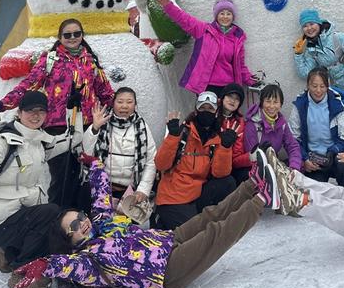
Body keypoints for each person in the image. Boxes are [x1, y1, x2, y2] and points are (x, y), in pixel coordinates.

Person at [6, 154, 280, 288]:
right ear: (71, 242)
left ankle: (251, 186)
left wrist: (96, 166)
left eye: (79, 217)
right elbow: (68, 267)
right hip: (167, 272)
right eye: (74, 228)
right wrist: (46, 265)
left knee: (210, 215)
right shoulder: (88, 261)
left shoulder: (101, 223)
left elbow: (100, 195)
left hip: (166, 241)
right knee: (215, 234)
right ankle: (262, 201)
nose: (81, 224)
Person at [0, 19, 114, 206]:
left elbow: (104, 90)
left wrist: (122, 107)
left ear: (82, 35)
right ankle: (60, 218)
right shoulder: (51, 59)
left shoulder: (90, 61)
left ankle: (82, 221)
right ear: (60, 37)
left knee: (84, 175)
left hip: (86, 124)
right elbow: (29, 84)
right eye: (67, 35)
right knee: (62, 177)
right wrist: (6, 102)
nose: (72, 38)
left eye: (76, 34)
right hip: (57, 126)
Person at [0, 91, 80, 273]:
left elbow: (72, 140)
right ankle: (24, 268)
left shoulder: (39, 142)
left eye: (41, 111)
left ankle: (8, 254)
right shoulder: (4, 140)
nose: (36, 115)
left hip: (20, 215)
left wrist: (75, 111)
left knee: (48, 226)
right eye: (30, 110)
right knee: (50, 213)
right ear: (19, 113)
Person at [153, 91, 237, 229]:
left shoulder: (216, 138)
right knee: (192, 232)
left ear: (216, 112)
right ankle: (162, 218)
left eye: (210, 108)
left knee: (228, 183)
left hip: (197, 194)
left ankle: (206, 221)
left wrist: (226, 147)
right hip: (174, 196)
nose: (206, 112)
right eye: (202, 108)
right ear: (196, 110)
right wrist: (172, 137)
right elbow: (161, 164)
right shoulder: (183, 132)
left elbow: (220, 174)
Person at [293, 8, 344, 158]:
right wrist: (298, 54)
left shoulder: (337, 38)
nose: (309, 28)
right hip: (335, 94)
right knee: (343, 131)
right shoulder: (310, 48)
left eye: (312, 24)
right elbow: (305, 73)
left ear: (319, 23)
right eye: (305, 26)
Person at [156, 0, 258, 98]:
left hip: (228, 87)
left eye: (229, 14)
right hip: (206, 85)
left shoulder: (237, 39)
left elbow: (240, 66)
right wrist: (168, 6)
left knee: (225, 114)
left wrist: (251, 81)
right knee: (206, 114)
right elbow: (185, 20)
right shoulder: (204, 30)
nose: (225, 17)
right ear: (216, 16)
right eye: (222, 13)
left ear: (233, 17)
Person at [81, 87, 157, 223]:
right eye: (120, 102)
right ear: (113, 103)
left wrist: (143, 190)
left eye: (129, 102)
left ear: (135, 105)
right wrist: (95, 127)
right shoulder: (103, 121)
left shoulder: (142, 127)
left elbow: (151, 161)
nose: (124, 106)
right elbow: (86, 152)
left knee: (127, 229)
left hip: (129, 192)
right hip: (101, 187)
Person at [289, 69, 344, 190]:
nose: (318, 90)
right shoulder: (300, 105)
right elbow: (294, 138)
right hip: (313, 159)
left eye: (322, 86)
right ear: (308, 85)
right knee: (316, 194)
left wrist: (332, 151)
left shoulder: (337, 105)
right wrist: (304, 159)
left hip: (334, 156)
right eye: (314, 86)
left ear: (328, 86)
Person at [244, 83, 302, 171]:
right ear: (261, 102)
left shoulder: (281, 123)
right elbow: (250, 155)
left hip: (274, 164)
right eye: (268, 101)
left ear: (281, 104)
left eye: (275, 102)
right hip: (255, 169)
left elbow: (292, 145)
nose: (271, 106)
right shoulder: (253, 123)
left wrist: (294, 167)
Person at [218, 82, 252, 184]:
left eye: (237, 99)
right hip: (210, 162)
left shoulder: (239, 122)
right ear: (223, 97)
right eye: (230, 96)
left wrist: (250, 157)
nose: (233, 101)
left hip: (228, 164)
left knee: (249, 174)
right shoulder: (211, 112)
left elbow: (236, 157)